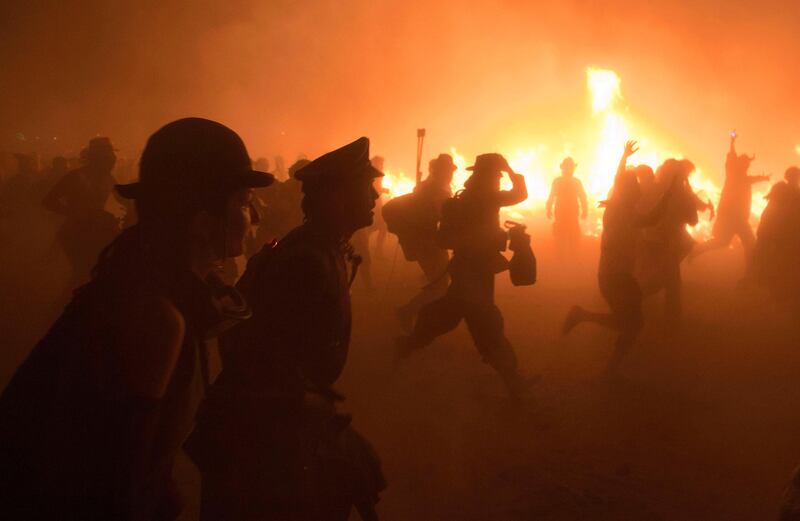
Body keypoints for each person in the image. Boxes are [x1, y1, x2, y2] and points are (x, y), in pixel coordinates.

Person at [0, 118, 272, 520]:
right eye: (243, 201)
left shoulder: (151, 285)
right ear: (201, 220)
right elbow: (120, 486)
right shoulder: (156, 317)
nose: (254, 217)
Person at [187, 137, 386, 521]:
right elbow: (251, 349)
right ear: (337, 197)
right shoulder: (304, 262)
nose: (376, 195)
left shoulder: (328, 250)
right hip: (265, 437)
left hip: (290, 426)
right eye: (366, 187)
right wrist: (303, 407)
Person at [396, 153, 533, 398]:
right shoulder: (482, 199)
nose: (499, 180)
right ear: (488, 177)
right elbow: (519, 194)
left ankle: (408, 344)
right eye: (497, 175)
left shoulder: (470, 198)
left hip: (471, 269)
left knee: (447, 315)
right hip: (475, 271)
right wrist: (511, 169)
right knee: (486, 324)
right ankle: (514, 381)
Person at [563, 141, 675, 376]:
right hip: (615, 277)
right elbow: (651, 219)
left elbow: (619, 180)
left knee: (632, 323)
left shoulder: (618, 205)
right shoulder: (622, 210)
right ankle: (606, 361)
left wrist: (623, 157)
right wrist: (667, 195)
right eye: (635, 187)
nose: (639, 190)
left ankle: (607, 361)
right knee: (632, 324)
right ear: (629, 192)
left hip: (617, 274)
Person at [42, 137, 123, 288]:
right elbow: (48, 201)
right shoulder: (75, 177)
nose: (112, 161)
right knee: (83, 272)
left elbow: (121, 198)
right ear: (96, 158)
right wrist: (74, 212)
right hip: (76, 232)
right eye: (108, 157)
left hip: (99, 229)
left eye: (111, 157)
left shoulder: (108, 178)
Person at [689, 132, 769, 277]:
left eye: (747, 164)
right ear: (740, 164)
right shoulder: (732, 172)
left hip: (736, 217)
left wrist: (764, 177)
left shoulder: (743, 177)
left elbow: (754, 178)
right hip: (732, 216)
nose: (747, 166)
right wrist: (732, 143)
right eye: (745, 164)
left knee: (728, 242)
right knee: (739, 243)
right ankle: (751, 274)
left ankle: (751, 274)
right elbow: (731, 157)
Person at [392, 153, 456, 331]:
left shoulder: (427, 186)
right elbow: (442, 214)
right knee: (440, 286)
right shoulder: (436, 189)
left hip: (426, 239)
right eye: (448, 170)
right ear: (442, 171)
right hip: (428, 241)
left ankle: (414, 311)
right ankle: (407, 312)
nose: (451, 174)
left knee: (439, 280)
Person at [752, 166, 800, 302]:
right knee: (778, 263)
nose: (797, 179)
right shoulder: (783, 191)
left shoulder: (788, 191)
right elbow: (772, 213)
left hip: (788, 235)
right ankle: (776, 293)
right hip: (780, 234)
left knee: (784, 263)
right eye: (796, 176)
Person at [546, 156, 588, 258]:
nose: (570, 170)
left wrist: (585, 210)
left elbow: (582, 196)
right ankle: (562, 259)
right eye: (568, 167)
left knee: (571, 238)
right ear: (563, 168)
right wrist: (548, 208)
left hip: (569, 212)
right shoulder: (560, 181)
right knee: (562, 238)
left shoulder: (572, 182)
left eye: (571, 168)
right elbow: (551, 196)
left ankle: (569, 259)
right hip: (562, 212)